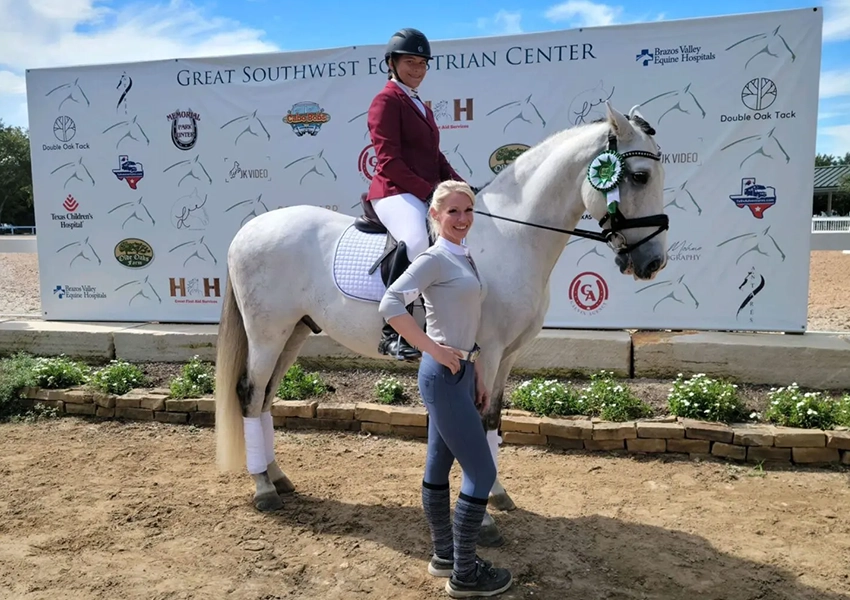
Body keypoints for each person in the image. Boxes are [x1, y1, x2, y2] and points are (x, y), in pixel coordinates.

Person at [378, 180, 513, 598]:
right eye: (452, 212)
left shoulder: (463, 254)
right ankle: (466, 574)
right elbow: (390, 304)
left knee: (439, 467)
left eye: (468, 210)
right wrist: (433, 348)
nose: (462, 219)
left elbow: (462, 320)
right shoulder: (435, 257)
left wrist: (474, 370)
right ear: (434, 216)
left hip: (459, 374)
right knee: (483, 471)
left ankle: (445, 557)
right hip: (441, 374)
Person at [366, 27, 466, 362]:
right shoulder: (385, 101)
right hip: (393, 190)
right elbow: (390, 162)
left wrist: (461, 187)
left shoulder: (420, 105)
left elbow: (436, 157)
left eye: (423, 64)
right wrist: (432, 194)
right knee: (417, 241)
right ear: (392, 63)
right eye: (410, 62)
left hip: (422, 191)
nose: (417, 69)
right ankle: (392, 333)